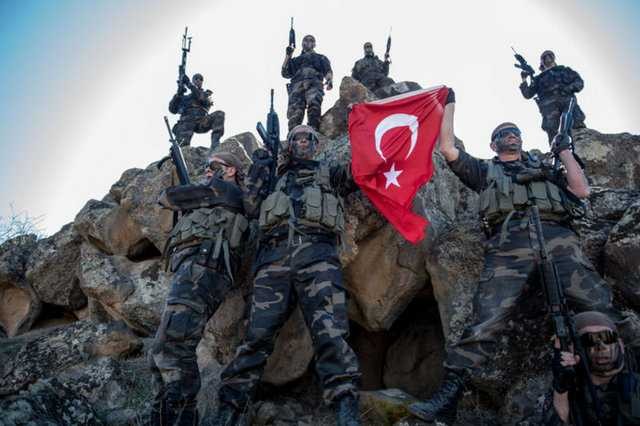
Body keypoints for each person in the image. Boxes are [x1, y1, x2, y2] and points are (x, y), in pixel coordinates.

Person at [408, 89, 638, 424]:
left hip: (557, 237)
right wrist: (449, 103)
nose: (510, 135)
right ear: (493, 145)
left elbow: (581, 190)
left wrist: (564, 151)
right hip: (509, 243)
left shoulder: (545, 168)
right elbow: (447, 149)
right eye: (502, 133)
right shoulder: (485, 170)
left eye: (514, 131)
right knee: (485, 321)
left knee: (601, 307)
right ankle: (446, 399)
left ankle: (628, 382)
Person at [215, 125, 361, 426]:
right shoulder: (274, 178)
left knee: (331, 334)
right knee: (256, 337)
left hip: (318, 257)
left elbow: (362, 171)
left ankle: (346, 408)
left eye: (308, 137)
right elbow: (251, 206)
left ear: (316, 145)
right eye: (296, 138)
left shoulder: (329, 174)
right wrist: (259, 167)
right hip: (273, 261)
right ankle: (229, 409)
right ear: (290, 145)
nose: (302, 141)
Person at [148, 151, 249, 425]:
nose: (207, 171)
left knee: (175, 346)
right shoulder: (212, 193)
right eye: (206, 167)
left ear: (230, 171)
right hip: (194, 270)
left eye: (214, 166)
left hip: (204, 269)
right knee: (159, 351)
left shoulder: (224, 189)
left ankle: (183, 418)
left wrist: (187, 190)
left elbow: (168, 197)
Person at [543, 311, 640, 425]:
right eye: (589, 340)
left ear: (621, 345)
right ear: (573, 350)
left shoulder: (634, 382)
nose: (601, 347)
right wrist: (561, 391)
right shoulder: (569, 388)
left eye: (607, 337)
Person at [519, 50, 586, 143]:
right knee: (556, 142)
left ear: (554, 57)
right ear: (541, 62)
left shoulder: (564, 71)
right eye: (544, 57)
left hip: (569, 108)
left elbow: (579, 82)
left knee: (579, 136)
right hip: (550, 113)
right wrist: (524, 79)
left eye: (549, 55)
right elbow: (528, 94)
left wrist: (568, 89)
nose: (547, 57)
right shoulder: (538, 79)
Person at [281, 35, 333, 131]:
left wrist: (329, 80)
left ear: (315, 44)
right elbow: (285, 73)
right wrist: (288, 55)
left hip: (314, 84)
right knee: (295, 113)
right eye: (306, 40)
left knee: (314, 106)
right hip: (296, 87)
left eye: (311, 40)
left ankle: (313, 131)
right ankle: (293, 135)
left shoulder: (321, 58)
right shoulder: (296, 60)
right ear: (302, 43)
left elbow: (328, 71)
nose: (308, 42)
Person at [168, 73, 225, 149]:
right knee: (182, 145)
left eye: (200, 79)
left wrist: (189, 84)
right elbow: (172, 110)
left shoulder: (205, 94)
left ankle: (215, 143)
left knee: (219, 114)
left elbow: (202, 98)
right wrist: (178, 94)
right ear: (193, 80)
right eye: (196, 79)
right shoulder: (186, 98)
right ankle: (182, 148)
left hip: (201, 122)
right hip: (186, 124)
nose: (198, 80)